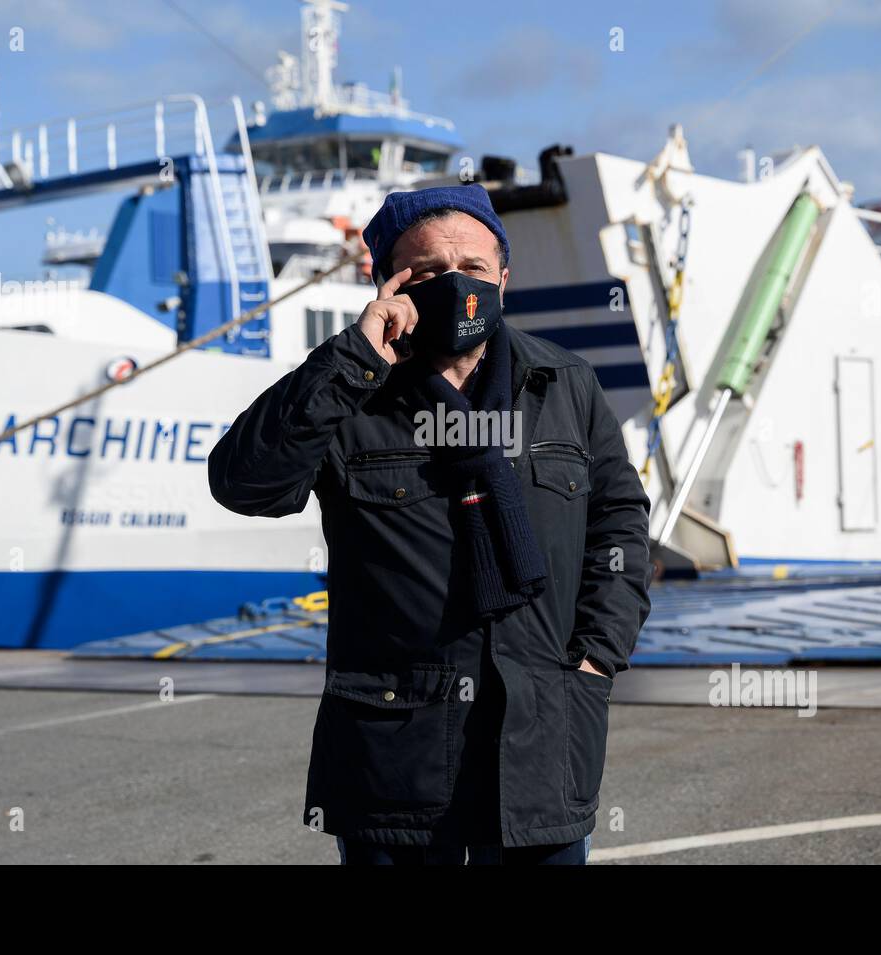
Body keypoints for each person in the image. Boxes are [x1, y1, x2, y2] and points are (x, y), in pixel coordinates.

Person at [207, 183, 652, 865]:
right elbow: (243, 481)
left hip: (543, 750)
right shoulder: (352, 393)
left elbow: (619, 523)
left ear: (503, 277)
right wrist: (354, 356)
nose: (456, 284)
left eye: (473, 269)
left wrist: (596, 654)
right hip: (396, 773)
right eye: (429, 271)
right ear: (388, 282)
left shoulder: (565, 385)